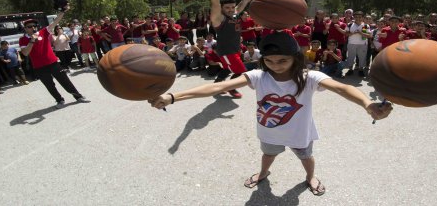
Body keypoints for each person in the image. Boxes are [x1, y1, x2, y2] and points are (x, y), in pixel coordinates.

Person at [147, 31, 392, 195]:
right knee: (267, 155)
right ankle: (264, 173)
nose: (275, 66)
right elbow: (219, 86)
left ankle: (310, 178)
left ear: (295, 59)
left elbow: (343, 87)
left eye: (282, 61)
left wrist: (367, 105)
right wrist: (172, 96)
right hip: (269, 131)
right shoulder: (258, 76)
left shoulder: (310, 78)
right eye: (270, 61)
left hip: (300, 134)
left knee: (306, 157)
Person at [19, 5, 90, 108]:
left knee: (65, 80)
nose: (33, 28)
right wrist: (32, 41)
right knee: (49, 85)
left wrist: (63, 11)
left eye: (34, 26)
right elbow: (25, 53)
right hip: (39, 67)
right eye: (29, 26)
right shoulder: (23, 39)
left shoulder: (43, 32)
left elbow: (56, 21)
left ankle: (78, 96)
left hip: (53, 63)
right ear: (25, 28)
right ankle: (59, 100)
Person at [208, 0, 266, 98]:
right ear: (222, 9)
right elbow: (215, 4)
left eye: (233, 7)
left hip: (235, 48)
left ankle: (217, 84)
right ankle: (231, 88)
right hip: (226, 51)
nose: (231, 9)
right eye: (227, 7)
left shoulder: (235, 14)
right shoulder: (219, 18)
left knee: (228, 68)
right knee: (241, 72)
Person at [344, 11, 371, 77]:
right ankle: (350, 70)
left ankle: (361, 70)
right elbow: (346, 34)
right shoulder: (350, 24)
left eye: (360, 17)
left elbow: (368, 36)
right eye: (356, 17)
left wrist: (360, 33)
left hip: (363, 44)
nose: (358, 18)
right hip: (351, 43)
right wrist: (353, 33)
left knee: (362, 57)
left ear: (362, 18)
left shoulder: (365, 25)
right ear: (354, 17)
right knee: (350, 57)